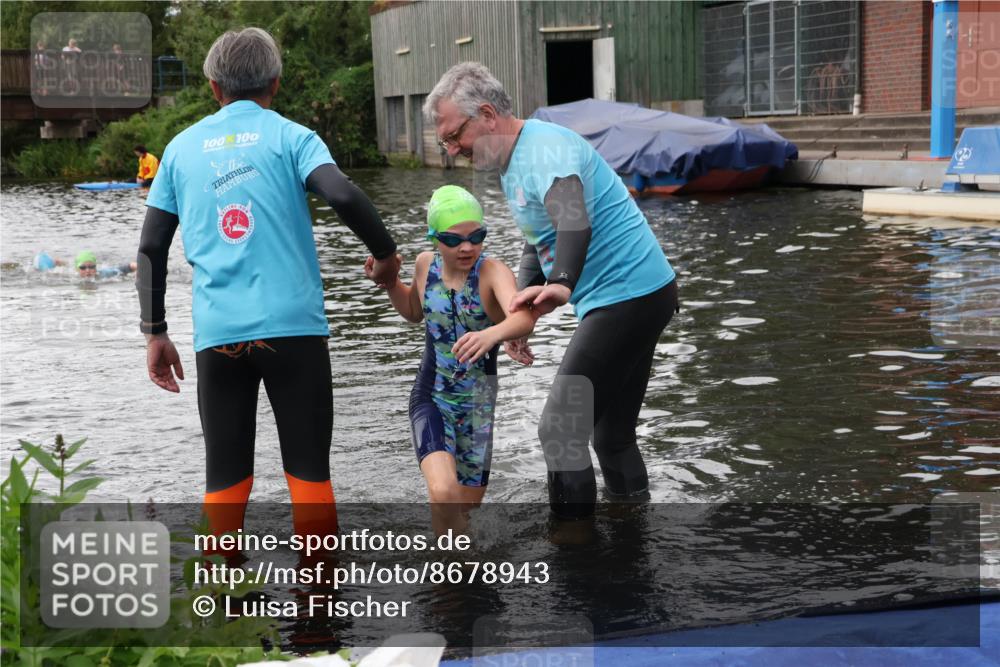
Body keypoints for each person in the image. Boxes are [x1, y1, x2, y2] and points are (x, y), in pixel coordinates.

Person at [136, 28, 400, 547]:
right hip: (293, 330)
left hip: (218, 334)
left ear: (214, 87)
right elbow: (343, 196)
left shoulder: (180, 149)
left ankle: (221, 605)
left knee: (226, 480)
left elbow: (150, 250)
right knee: (308, 476)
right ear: (275, 84)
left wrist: (155, 332)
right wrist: (387, 257)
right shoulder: (292, 137)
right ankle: (318, 614)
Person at [424, 62, 680, 518]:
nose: (452, 150)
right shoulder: (514, 162)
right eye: (445, 142)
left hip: (626, 299)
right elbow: (538, 235)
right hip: (643, 296)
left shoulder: (543, 148)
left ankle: (574, 556)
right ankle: (632, 538)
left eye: (453, 135)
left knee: (560, 432)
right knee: (611, 436)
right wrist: (519, 308)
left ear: (486, 114)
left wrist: (561, 284)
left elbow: (571, 218)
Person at [365, 185, 538, 534]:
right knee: (443, 493)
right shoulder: (425, 265)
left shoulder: (492, 273)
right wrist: (390, 283)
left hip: (477, 405)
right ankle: (449, 584)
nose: (467, 247)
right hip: (432, 395)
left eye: (477, 236)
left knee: (465, 512)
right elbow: (414, 310)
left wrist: (493, 333)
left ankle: (455, 576)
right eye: (454, 239)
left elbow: (523, 316)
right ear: (434, 238)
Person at [32, 250, 135, 278]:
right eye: (83, 267)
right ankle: (60, 262)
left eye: (91, 267)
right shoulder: (71, 275)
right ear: (78, 269)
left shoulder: (104, 273)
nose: (88, 270)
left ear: (96, 267)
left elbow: (129, 266)